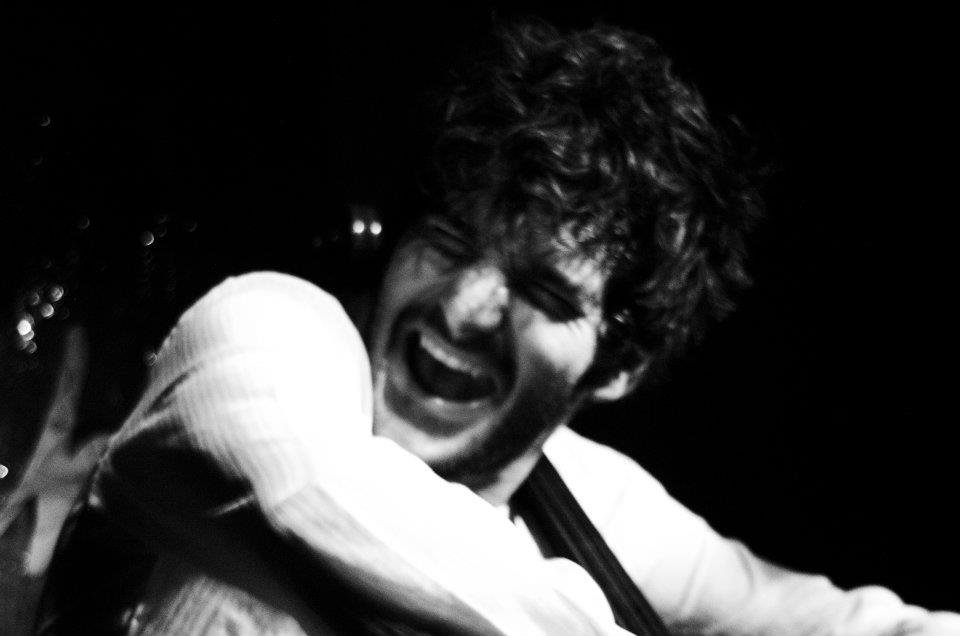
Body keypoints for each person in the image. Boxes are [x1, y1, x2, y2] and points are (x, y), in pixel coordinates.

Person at [37, 20, 960, 635]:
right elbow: (301, 491)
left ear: (618, 366)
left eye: (542, 292)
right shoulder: (269, 330)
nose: (461, 308)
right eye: (448, 240)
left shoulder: (598, 506)